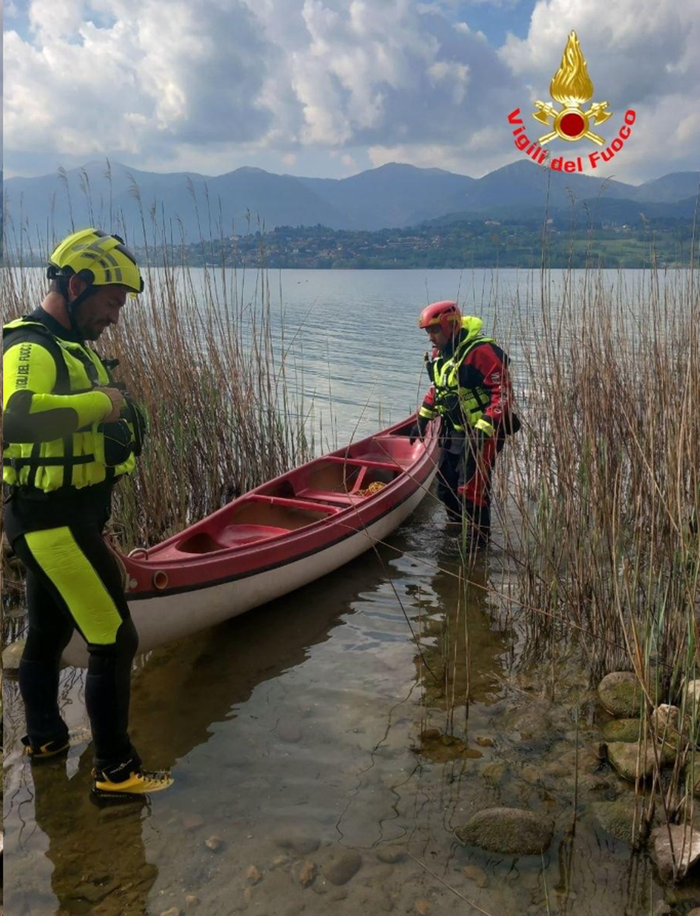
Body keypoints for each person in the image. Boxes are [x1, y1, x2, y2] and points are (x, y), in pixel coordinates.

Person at [3, 228, 172, 798]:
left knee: (46, 635)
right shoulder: (30, 347)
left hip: (59, 520)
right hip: (52, 523)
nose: (115, 317)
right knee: (114, 639)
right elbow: (17, 418)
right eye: (111, 302)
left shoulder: (66, 344)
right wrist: (106, 404)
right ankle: (116, 771)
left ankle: (45, 739)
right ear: (76, 286)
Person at [410, 300, 519, 546]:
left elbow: (502, 392)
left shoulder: (480, 352)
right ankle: (456, 531)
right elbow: (437, 388)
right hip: (454, 431)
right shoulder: (440, 354)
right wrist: (423, 418)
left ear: (451, 326)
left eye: (434, 331)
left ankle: (477, 545)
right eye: (428, 332)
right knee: (445, 489)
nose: (431, 338)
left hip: (483, 433)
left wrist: (484, 428)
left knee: (471, 490)